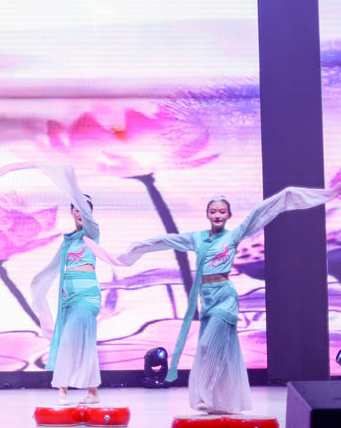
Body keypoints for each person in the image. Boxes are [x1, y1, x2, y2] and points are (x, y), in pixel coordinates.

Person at [112, 185, 341, 414]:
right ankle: (223, 401)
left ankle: (207, 394)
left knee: (207, 346)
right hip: (207, 298)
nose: (217, 215)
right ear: (207, 214)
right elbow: (166, 240)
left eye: (222, 211)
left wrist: (302, 194)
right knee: (222, 351)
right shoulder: (197, 238)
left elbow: (262, 211)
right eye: (213, 211)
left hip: (225, 297)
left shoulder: (234, 235)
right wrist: (133, 251)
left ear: (229, 215)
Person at [26, 166, 103, 405]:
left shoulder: (92, 231)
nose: (80, 212)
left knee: (69, 340)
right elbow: (53, 267)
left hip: (87, 296)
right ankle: (93, 392)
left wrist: (70, 184)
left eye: (84, 208)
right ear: (71, 211)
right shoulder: (68, 241)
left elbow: (87, 216)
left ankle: (62, 390)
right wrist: (38, 282)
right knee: (85, 343)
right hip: (69, 298)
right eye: (76, 208)